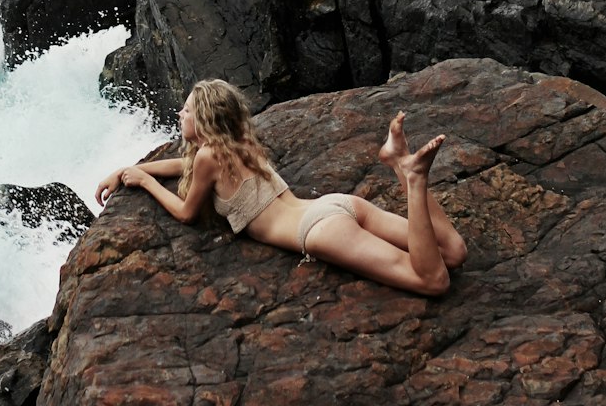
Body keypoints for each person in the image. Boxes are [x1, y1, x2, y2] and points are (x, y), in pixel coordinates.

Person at [95, 78, 466, 297]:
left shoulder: (209, 158)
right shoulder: (235, 143)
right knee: (453, 251)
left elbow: (185, 213)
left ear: (205, 119)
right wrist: (131, 168)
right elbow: (183, 165)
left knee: (433, 281)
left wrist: (143, 180)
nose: (180, 114)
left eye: (187, 110)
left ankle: (413, 179)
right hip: (339, 206)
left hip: (319, 231)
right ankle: (400, 164)